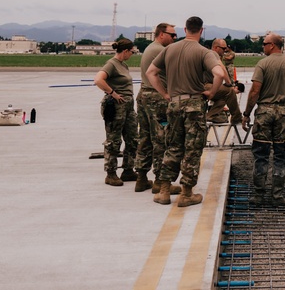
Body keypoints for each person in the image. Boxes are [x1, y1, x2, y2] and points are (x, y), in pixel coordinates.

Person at [146, 16, 226, 208]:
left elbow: (151, 72)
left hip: (174, 104)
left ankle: (164, 191)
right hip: (194, 105)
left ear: (184, 29)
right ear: (201, 30)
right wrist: (212, 92)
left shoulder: (169, 49)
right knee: (192, 150)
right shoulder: (203, 52)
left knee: (173, 146)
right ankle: (186, 193)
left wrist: (165, 94)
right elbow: (220, 74)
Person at [241, 33, 285, 207]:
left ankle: (258, 195)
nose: (262, 46)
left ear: (272, 45)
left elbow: (255, 91)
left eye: (264, 43)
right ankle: (277, 196)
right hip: (284, 114)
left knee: (261, 155)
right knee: (281, 156)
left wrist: (246, 113)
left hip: (264, 113)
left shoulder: (263, 64)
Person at [134, 22, 178, 194]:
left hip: (144, 94)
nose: (174, 38)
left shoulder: (150, 48)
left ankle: (141, 177)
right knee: (161, 139)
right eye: (172, 35)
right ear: (161, 34)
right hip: (156, 97)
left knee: (144, 137)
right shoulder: (160, 50)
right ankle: (160, 180)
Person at [94, 38, 139, 187]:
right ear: (125, 51)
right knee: (114, 140)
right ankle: (111, 173)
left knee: (132, 138)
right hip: (117, 105)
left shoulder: (123, 65)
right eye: (131, 52)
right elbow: (98, 80)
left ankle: (128, 169)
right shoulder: (111, 64)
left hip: (128, 105)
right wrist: (112, 93)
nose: (132, 55)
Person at [206, 38, 243, 126]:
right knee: (230, 91)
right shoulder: (213, 54)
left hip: (207, 85)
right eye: (223, 48)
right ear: (215, 48)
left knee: (223, 98)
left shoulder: (209, 54)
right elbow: (222, 68)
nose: (225, 50)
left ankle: (211, 116)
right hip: (206, 85)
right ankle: (237, 117)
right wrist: (229, 84)